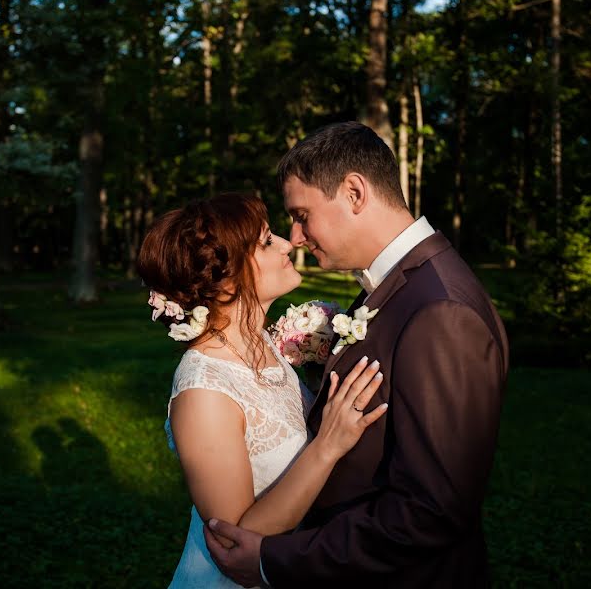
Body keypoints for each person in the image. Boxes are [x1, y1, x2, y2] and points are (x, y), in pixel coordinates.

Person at [204, 122, 509, 588]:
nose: (297, 236)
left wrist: (275, 560)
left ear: (353, 192)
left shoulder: (440, 311)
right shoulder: (401, 287)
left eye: (302, 214)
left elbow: (429, 512)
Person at [136, 192, 389, 588]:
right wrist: (327, 445)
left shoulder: (264, 346)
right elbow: (235, 538)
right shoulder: (203, 391)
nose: (289, 243)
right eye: (267, 241)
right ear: (225, 279)